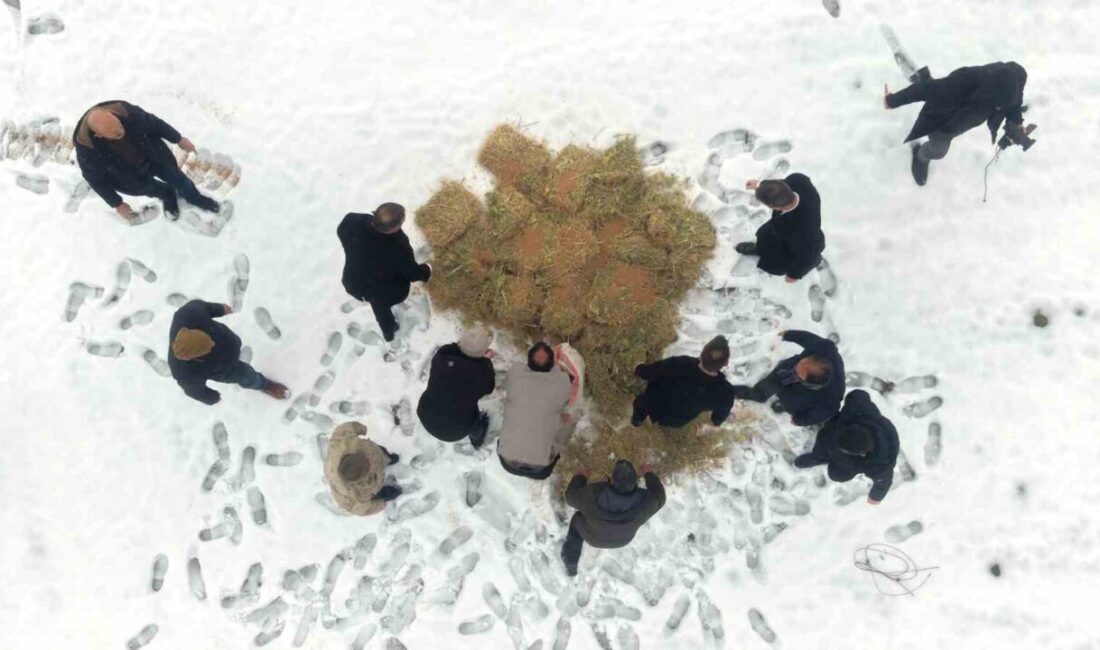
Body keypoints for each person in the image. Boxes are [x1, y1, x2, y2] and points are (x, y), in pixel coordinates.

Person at [884, 61, 1033, 185]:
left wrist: (1017, 121)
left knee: (939, 89)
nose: (999, 109)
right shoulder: (959, 85)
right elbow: (924, 90)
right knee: (938, 150)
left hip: (964, 113)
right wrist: (892, 101)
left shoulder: (1015, 75)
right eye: (998, 106)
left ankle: (927, 79)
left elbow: (1015, 101)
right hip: (944, 122)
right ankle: (920, 155)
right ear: (988, 96)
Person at [73, 100, 221, 220]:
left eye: (119, 126)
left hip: (153, 154)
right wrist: (116, 204)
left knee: (179, 179)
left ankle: (194, 197)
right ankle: (168, 196)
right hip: (128, 174)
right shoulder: (87, 149)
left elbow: (154, 123)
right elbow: (95, 179)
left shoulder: (124, 111)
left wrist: (178, 139)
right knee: (154, 189)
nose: (121, 132)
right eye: (115, 134)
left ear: (113, 115)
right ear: (99, 135)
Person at [337, 203, 431, 342]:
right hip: (386, 290)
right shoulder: (398, 246)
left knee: (375, 297)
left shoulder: (352, 221)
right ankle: (389, 331)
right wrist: (427, 270)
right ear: (394, 229)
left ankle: (388, 331)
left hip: (354, 281)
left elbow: (341, 230)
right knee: (380, 299)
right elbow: (412, 273)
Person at [167, 299, 289, 405]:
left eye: (208, 339)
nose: (212, 344)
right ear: (192, 358)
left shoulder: (188, 315)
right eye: (207, 348)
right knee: (247, 376)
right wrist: (212, 397)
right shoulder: (184, 372)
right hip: (226, 370)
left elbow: (203, 306)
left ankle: (236, 349)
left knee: (234, 343)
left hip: (228, 340)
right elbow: (194, 391)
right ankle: (265, 385)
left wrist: (220, 309)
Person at [560, 460, 666, 577]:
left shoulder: (593, 494)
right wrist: (649, 474)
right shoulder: (645, 502)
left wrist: (581, 476)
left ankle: (571, 562)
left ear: (612, 480)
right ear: (635, 481)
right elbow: (660, 498)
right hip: (622, 540)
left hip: (593, 537)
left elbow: (570, 496)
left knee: (577, 519)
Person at [794, 390, 899, 504]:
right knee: (828, 437)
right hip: (840, 427)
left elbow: (884, 481)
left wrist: (876, 497)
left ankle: (823, 457)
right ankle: (818, 455)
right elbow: (858, 394)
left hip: (855, 461)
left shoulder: (879, 465)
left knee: (836, 474)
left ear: (861, 454)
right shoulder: (860, 409)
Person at [734, 330, 845, 426]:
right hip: (783, 380)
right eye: (800, 363)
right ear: (814, 357)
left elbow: (817, 416)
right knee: (763, 390)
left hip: (794, 401)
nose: (794, 368)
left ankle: (782, 406)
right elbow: (807, 338)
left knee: (789, 405)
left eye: (798, 372)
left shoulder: (829, 400)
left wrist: (799, 420)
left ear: (809, 383)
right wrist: (789, 334)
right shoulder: (825, 348)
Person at [497, 342, 573, 480]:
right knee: (564, 422)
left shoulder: (515, 373)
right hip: (507, 456)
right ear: (553, 363)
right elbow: (565, 378)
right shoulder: (562, 382)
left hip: (512, 458)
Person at [735, 174, 825, 283]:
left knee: (778, 262)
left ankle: (817, 261)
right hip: (781, 228)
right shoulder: (798, 180)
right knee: (764, 235)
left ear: (776, 208)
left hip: (800, 245)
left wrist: (794, 275)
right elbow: (779, 186)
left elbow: (808, 255)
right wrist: (760, 185)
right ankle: (759, 249)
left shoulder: (803, 232)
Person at [417, 325, 496, 448]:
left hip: (426, 413)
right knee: (470, 411)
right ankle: (477, 438)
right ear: (483, 351)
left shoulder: (443, 354)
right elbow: (489, 389)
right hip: (454, 431)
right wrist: (486, 361)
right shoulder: (482, 373)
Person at [631, 335, 736, 428]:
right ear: (726, 363)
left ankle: (638, 419)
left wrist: (638, 368)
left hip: (654, 405)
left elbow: (649, 372)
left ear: (701, 354)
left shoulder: (681, 364)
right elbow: (718, 418)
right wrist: (716, 421)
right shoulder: (726, 392)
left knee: (643, 401)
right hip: (677, 420)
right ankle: (657, 422)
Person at [324, 421, 403, 516]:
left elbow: (344, 428)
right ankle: (386, 493)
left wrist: (361, 428)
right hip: (373, 484)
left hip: (374, 452)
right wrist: (380, 504)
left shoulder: (341, 444)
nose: (370, 463)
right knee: (381, 494)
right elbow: (362, 510)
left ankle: (388, 458)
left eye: (365, 460)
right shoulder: (350, 495)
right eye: (368, 468)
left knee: (382, 454)